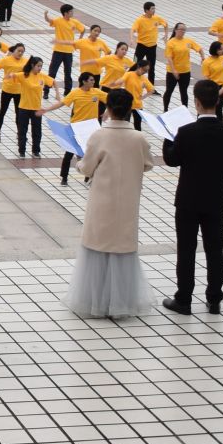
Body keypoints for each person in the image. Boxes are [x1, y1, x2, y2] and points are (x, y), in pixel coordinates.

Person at [64, 89, 155, 319]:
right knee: (122, 248)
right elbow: (147, 164)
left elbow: (86, 168)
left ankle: (95, 301)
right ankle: (121, 302)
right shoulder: (139, 138)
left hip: (101, 200)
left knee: (98, 247)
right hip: (128, 201)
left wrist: (79, 160)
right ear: (129, 110)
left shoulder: (98, 136)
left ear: (108, 109)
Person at [160, 79, 223, 316]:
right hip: (216, 199)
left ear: (196, 102)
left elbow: (172, 159)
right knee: (214, 249)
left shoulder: (186, 132)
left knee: (186, 249)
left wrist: (168, 138)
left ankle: (184, 299)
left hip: (188, 199)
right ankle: (214, 299)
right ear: (217, 101)